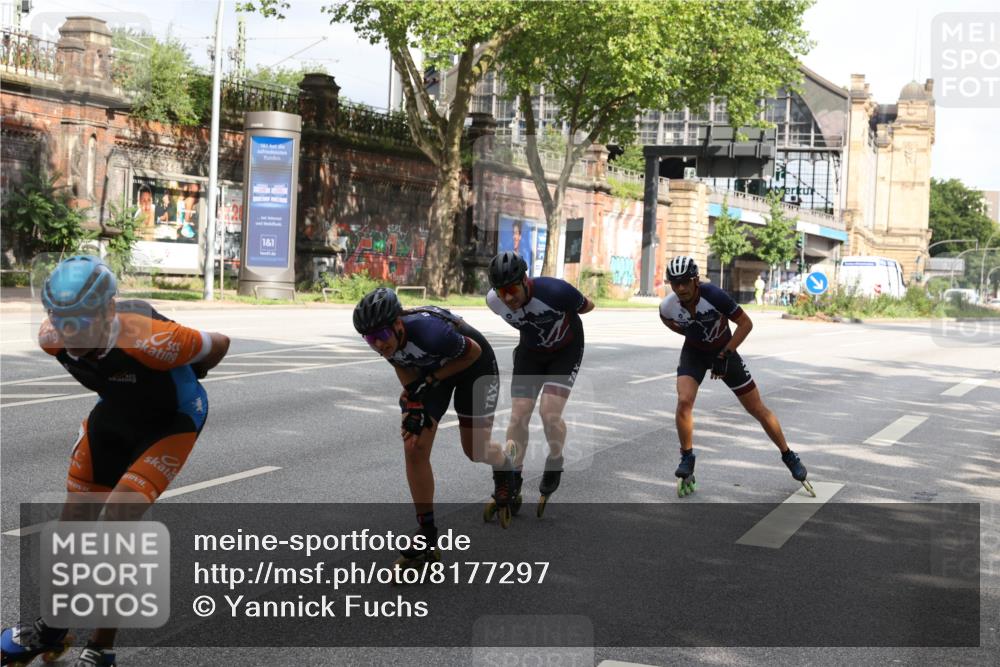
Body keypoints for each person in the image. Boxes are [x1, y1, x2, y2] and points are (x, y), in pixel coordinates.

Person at [0, 256, 230, 667]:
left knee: (115, 526)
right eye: (59, 317)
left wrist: (190, 369)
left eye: (79, 320)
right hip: (116, 415)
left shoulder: (155, 340)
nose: (67, 331)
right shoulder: (51, 337)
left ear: (108, 311)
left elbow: (222, 343)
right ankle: (51, 632)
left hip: (170, 419)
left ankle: (101, 649)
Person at [352, 288, 516, 562]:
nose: (378, 344)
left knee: (475, 450)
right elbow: (401, 362)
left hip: (474, 367)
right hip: (434, 370)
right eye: (370, 339)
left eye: (381, 336)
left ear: (397, 323)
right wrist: (413, 399)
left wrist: (427, 383)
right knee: (413, 445)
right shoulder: (389, 342)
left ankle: (503, 463)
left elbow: (471, 353)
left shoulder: (429, 331)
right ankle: (426, 532)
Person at [658, 256, 814, 498]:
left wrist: (725, 353)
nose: (680, 289)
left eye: (685, 282)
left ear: (696, 281)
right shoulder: (667, 307)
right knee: (684, 401)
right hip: (695, 354)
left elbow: (745, 323)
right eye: (675, 283)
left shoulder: (714, 295)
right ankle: (687, 457)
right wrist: (696, 338)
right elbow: (672, 325)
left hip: (725, 351)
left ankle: (788, 455)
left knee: (757, 408)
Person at [485, 251, 594, 517]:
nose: (508, 298)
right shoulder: (494, 302)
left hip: (565, 351)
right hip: (531, 353)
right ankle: (513, 479)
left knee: (549, 412)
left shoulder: (555, 291)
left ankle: (555, 459)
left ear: (524, 280)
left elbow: (588, 306)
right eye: (501, 292)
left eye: (512, 289)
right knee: (519, 413)